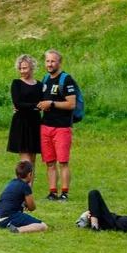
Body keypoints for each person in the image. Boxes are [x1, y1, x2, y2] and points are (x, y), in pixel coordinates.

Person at [38, 49, 80, 201]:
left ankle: (64, 193)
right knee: (49, 162)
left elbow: (71, 104)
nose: (50, 64)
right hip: (45, 126)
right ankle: (52, 192)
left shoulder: (66, 80)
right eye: (48, 61)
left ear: (59, 63)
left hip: (62, 127)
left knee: (63, 161)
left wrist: (52, 103)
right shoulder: (45, 80)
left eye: (53, 61)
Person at [8, 54, 44, 165]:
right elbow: (18, 104)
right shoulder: (17, 83)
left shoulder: (40, 85)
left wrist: (35, 106)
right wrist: (36, 106)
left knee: (32, 159)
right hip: (21, 122)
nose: (22, 71)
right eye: (20, 68)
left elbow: (44, 103)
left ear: (32, 67)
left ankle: (30, 183)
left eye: (25, 68)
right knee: (25, 160)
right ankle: (22, 182)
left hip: (35, 122)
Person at [0, 161, 47, 232]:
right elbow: (32, 207)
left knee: (21, 217)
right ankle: (18, 230)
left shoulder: (12, 182)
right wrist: (27, 204)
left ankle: (13, 225)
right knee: (43, 226)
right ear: (30, 174)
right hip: (9, 217)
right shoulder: (25, 186)